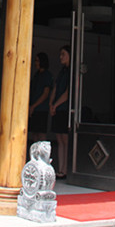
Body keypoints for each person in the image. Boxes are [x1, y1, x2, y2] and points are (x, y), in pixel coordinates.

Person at [50, 45, 70, 179]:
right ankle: (60, 169)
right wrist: (51, 104)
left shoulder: (71, 71)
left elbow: (67, 93)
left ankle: (67, 169)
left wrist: (55, 105)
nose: (61, 57)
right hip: (57, 108)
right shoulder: (61, 71)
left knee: (65, 139)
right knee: (59, 139)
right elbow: (55, 88)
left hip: (64, 108)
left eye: (63, 54)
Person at [29, 52, 53, 141]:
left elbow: (45, 94)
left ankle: (42, 150)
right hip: (34, 109)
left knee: (41, 133)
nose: (35, 63)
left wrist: (34, 106)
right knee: (34, 133)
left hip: (41, 109)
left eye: (37, 61)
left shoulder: (47, 75)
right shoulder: (36, 75)